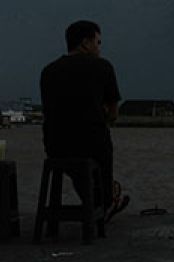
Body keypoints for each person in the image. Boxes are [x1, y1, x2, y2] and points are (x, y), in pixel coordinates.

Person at [40, 20, 129, 222]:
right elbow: (114, 113)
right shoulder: (103, 67)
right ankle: (105, 201)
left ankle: (96, 200)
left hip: (56, 146)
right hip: (93, 145)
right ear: (86, 43)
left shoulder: (48, 71)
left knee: (78, 166)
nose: (99, 48)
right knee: (99, 147)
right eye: (98, 42)